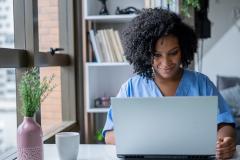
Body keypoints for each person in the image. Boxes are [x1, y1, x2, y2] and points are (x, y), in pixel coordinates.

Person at [102, 8, 236, 159]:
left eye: (173, 53)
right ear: (145, 54)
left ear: (184, 50)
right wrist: (143, 139)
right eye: (157, 55)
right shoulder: (131, 88)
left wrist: (226, 141)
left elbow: (225, 123)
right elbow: (109, 134)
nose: (166, 63)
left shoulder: (201, 83)